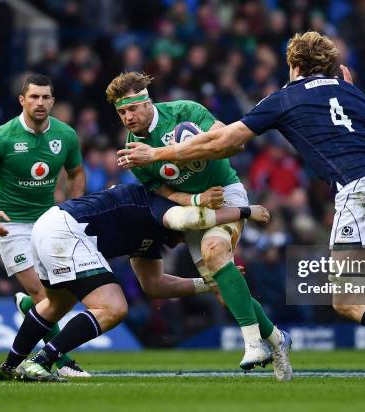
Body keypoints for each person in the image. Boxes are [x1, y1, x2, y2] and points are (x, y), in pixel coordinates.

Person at [120, 32, 365, 381]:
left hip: (360, 189)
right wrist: (353, 94)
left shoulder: (285, 98)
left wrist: (157, 154)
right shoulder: (349, 91)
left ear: (294, 64)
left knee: (345, 298)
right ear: (330, 65)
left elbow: (227, 142)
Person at [107, 72, 292, 381]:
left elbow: (229, 143)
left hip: (225, 193)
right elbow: (162, 191)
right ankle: (276, 339)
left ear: (146, 101)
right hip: (195, 207)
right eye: (121, 113)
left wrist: (172, 158)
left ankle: (252, 344)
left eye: (131, 109)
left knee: (215, 251)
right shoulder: (133, 147)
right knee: (223, 290)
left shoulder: (185, 112)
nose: (127, 117)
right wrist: (195, 199)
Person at [0, 182, 271, 382]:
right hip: (66, 230)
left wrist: (207, 284)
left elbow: (154, 285)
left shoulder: (150, 235)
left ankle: (9, 366)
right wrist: (246, 211)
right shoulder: (157, 206)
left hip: (48, 227)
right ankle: (41, 362)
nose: (185, 241)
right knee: (113, 308)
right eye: (189, 236)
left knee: (55, 303)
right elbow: (189, 218)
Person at [0, 74, 89, 377]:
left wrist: (73, 210)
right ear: (22, 100)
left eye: (46, 97)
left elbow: (76, 172)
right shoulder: (1, 137)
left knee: (59, 296)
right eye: (34, 97)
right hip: (12, 225)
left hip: (48, 221)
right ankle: (62, 362)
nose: (40, 102)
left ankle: (27, 307)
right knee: (46, 297)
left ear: (53, 101)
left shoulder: (66, 136)